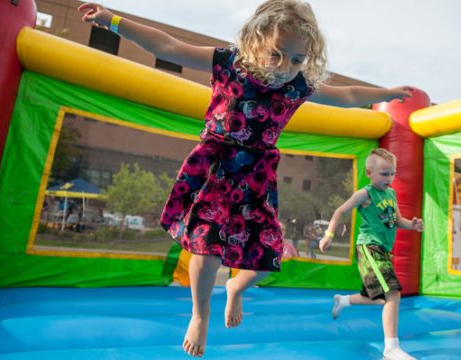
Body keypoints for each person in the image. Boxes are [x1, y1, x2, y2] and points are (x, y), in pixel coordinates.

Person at [78, 1, 413, 357]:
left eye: (297, 59)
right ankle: (200, 314)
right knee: (206, 250)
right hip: (217, 166)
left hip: (256, 176)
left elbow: (345, 96)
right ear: (255, 40)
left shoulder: (296, 87)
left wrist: (383, 94)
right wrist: (113, 22)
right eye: (276, 54)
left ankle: (236, 289)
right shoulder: (228, 63)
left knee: (270, 256)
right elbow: (167, 47)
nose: (286, 66)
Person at [319, 148, 423, 360]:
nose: (389, 178)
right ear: (369, 172)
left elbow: (396, 220)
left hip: (384, 251)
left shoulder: (391, 193)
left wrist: (412, 225)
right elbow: (340, 211)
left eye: (392, 173)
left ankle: (344, 300)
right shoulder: (365, 194)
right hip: (369, 247)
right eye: (384, 174)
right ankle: (391, 349)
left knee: (378, 299)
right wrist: (328, 235)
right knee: (393, 293)